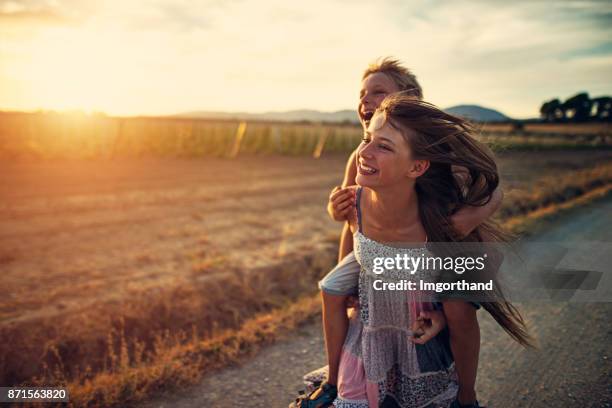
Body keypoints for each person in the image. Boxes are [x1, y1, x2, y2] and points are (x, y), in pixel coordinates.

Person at [291, 58, 503, 408]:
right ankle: (336, 381)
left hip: (435, 250)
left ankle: (466, 394)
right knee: (333, 291)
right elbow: (349, 218)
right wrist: (336, 213)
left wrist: (470, 217)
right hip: (373, 250)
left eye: (379, 92)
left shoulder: (437, 153)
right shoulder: (363, 155)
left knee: (458, 312)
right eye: (363, 94)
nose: (367, 101)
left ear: (410, 101)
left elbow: (493, 189)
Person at [328, 95, 532, 407]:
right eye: (367, 139)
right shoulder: (354, 203)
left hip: (419, 334)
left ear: (418, 166)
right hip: (371, 335)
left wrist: (442, 315)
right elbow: (351, 248)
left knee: (459, 314)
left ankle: (467, 397)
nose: (363, 153)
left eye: (384, 146)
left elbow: (489, 196)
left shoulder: (442, 220)